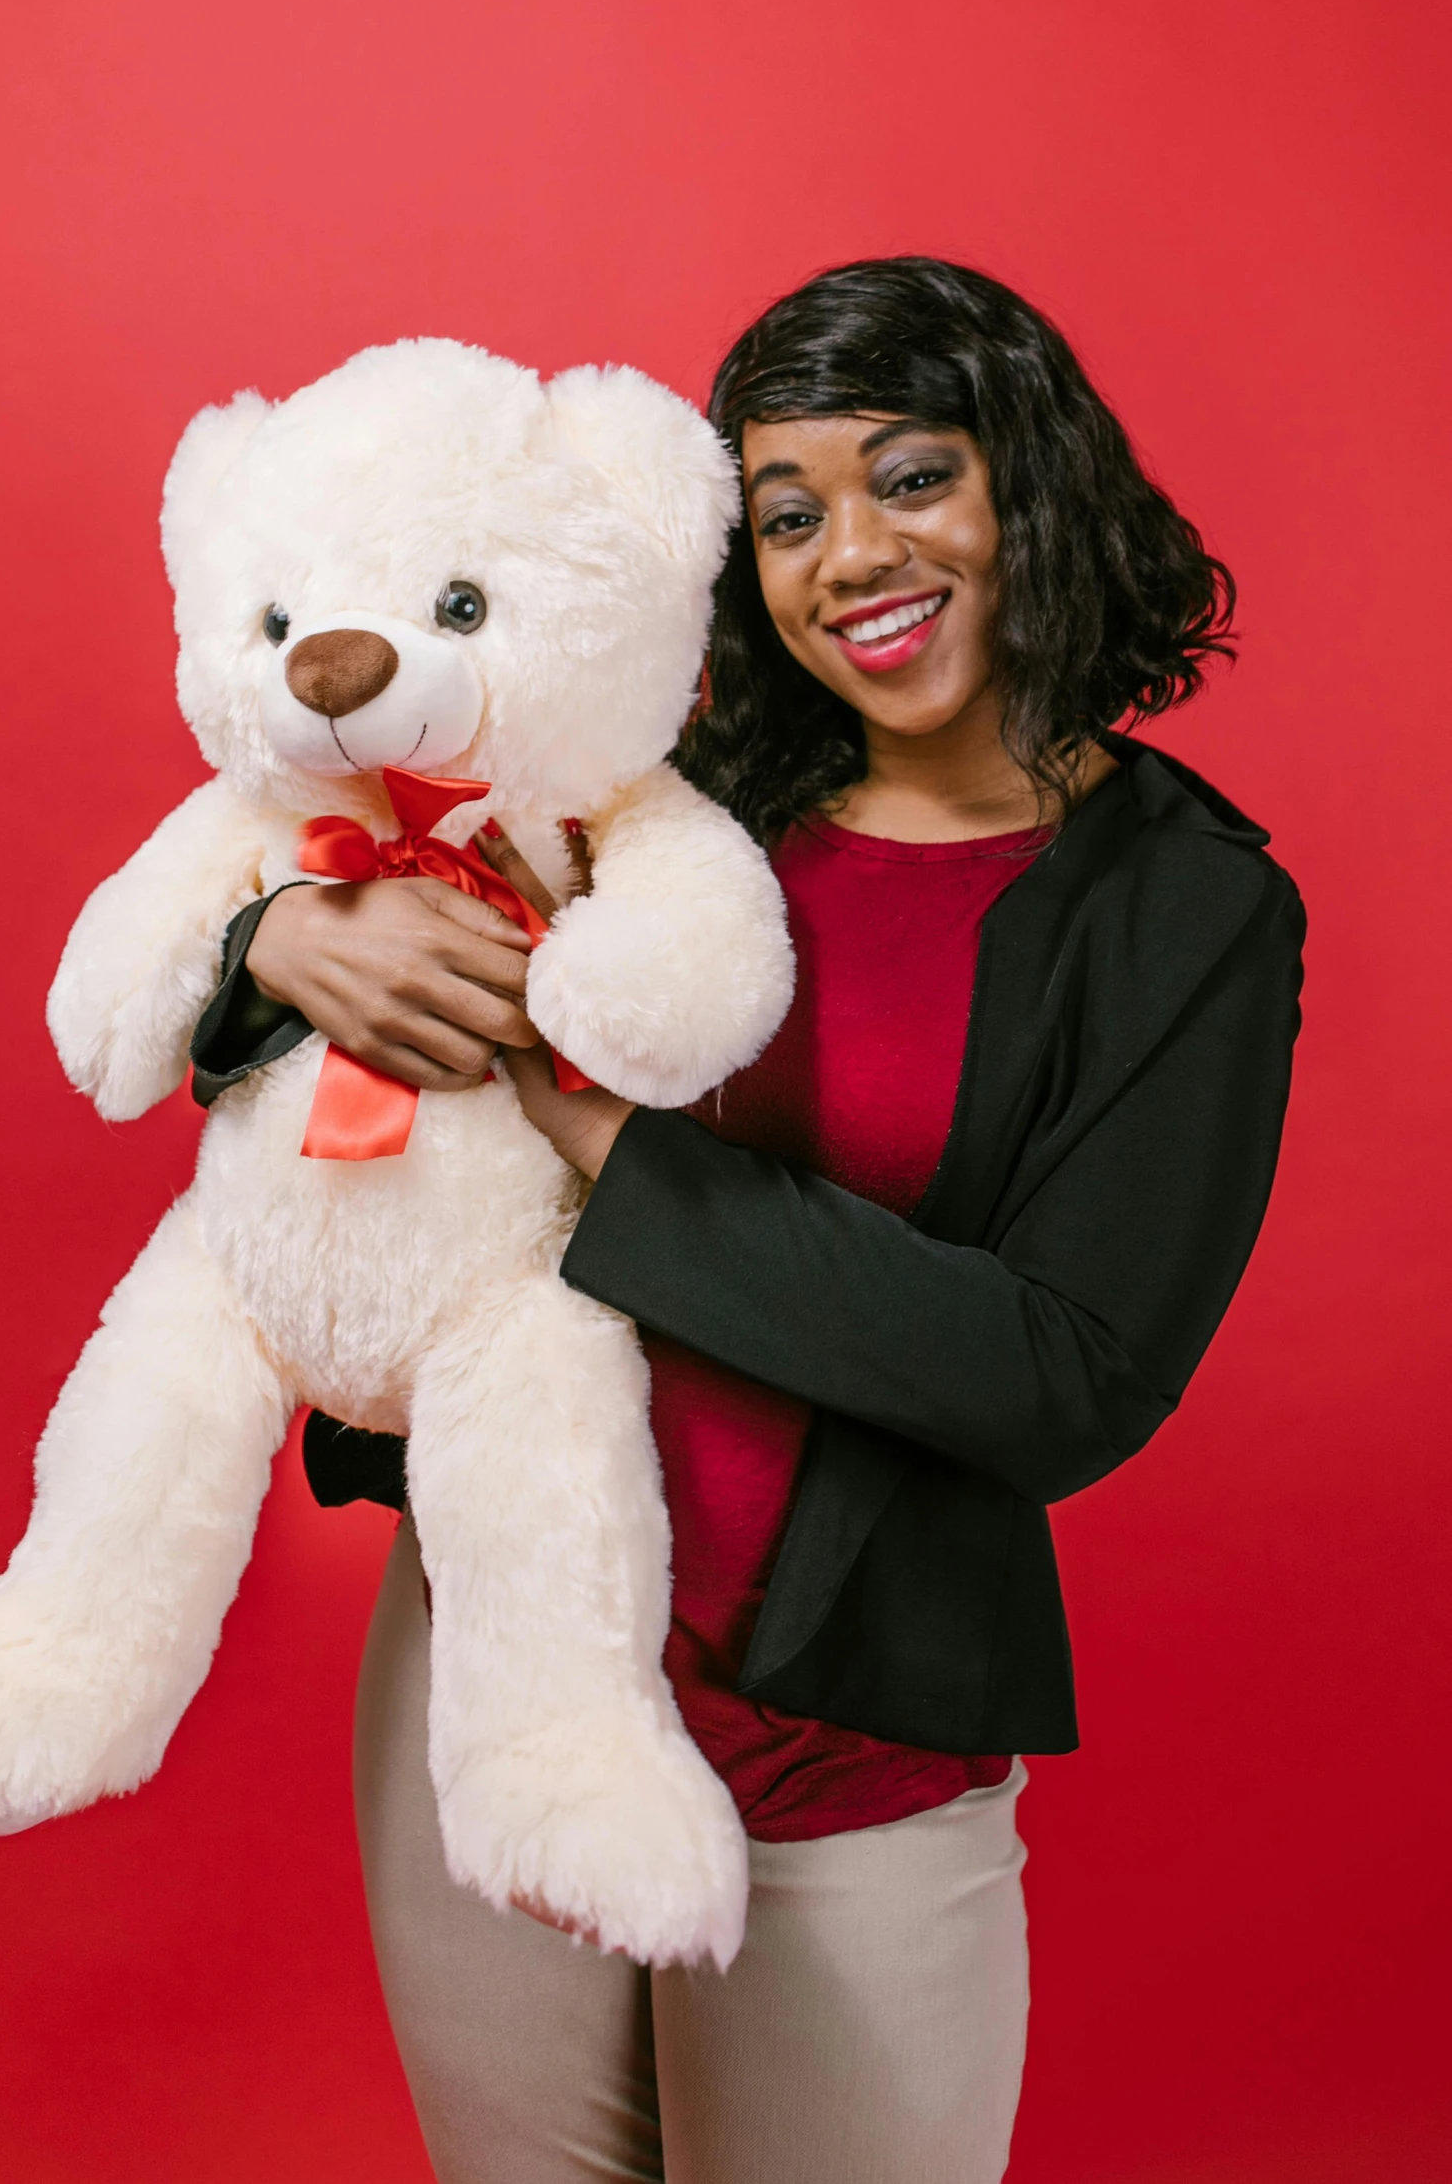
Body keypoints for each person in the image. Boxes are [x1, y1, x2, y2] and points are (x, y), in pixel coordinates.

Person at [190, 258, 1305, 2183]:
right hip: (504, 1652)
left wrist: (609, 1136)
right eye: (787, 512)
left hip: (840, 1738)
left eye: (910, 476)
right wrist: (273, 936)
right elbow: (355, 896)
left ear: (1029, 483)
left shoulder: (1183, 912)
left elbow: (1058, 1374)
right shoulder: (673, 790)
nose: (848, 553)